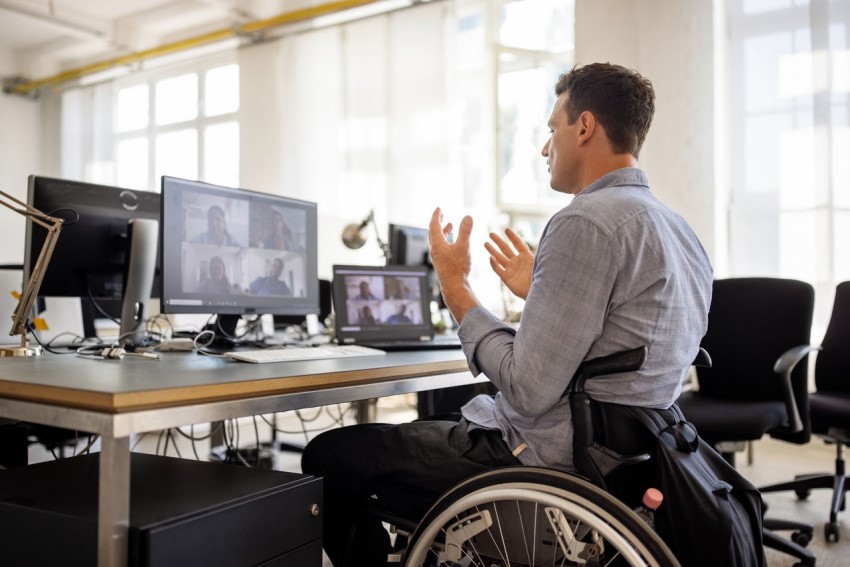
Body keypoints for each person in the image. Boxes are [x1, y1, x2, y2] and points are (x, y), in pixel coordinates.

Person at [301, 63, 713, 567]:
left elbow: (530, 388)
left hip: (541, 458)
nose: (545, 149)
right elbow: (617, 345)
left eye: (551, 130)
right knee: (437, 416)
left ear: (583, 128)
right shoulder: (677, 229)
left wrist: (456, 287)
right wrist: (539, 293)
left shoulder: (585, 220)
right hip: (625, 455)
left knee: (329, 457)